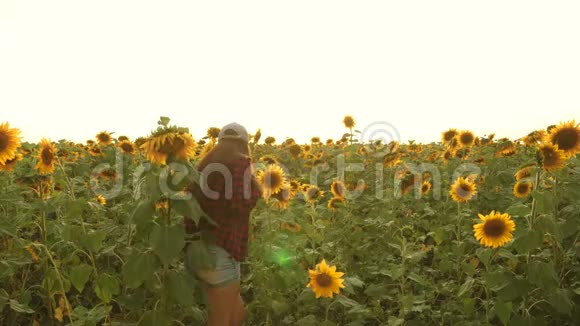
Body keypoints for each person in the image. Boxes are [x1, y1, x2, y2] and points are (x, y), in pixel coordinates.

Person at [184, 122, 262, 326]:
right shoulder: (240, 164)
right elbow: (239, 204)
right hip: (221, 252)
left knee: (237, 316)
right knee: (221, 321)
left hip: (199, 251)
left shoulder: (204, 167)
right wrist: (257, 190)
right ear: (245, 144)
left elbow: (189, 208)